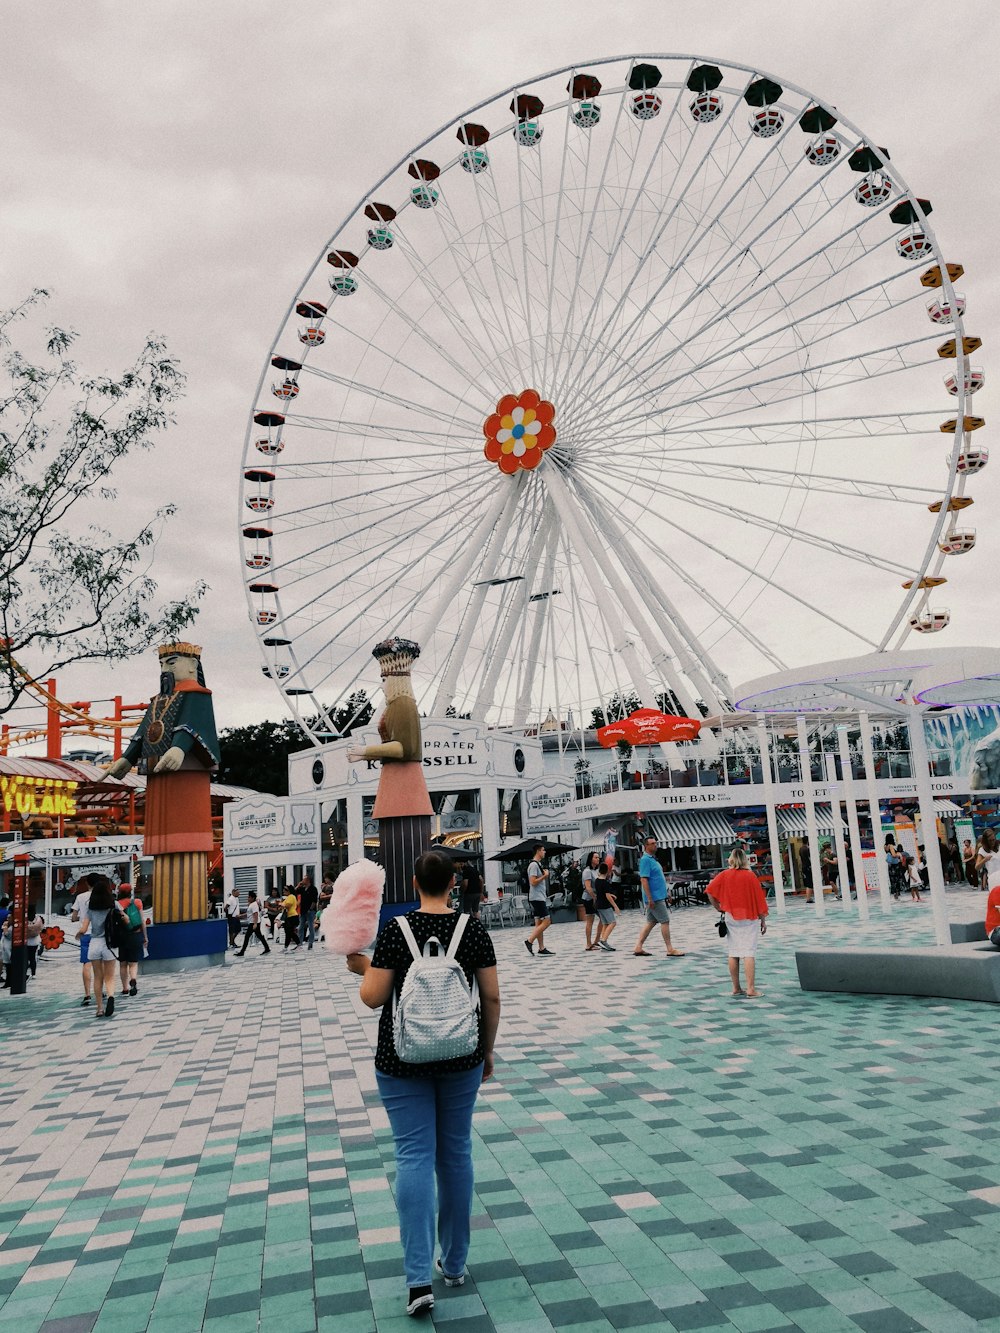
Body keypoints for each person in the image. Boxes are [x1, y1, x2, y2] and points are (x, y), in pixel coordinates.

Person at [347, 850, 500, 1319]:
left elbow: (373, 998)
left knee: (412, 1156)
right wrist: (486, 1049)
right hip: (462, 1055)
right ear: (454, 883)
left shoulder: (396, 931)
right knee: (455, 1153)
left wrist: (363, 968)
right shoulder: (473, 929)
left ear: (414, 883)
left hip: (402, 1059)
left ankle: (417, 1281)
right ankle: (453, 1264)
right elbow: (491, 994)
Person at [706, 848, 768, 997]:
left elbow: (709, 891)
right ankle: (751, 989)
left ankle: (736, 987)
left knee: (733, 952)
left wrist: (718, 908)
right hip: (749, 916)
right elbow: (760, 899)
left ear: (731, 859)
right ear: (745, 859)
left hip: (731, 915)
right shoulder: (750, 876)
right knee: (748, 952)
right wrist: (763, 920)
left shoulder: (724, 875)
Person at [76, 877, 121, 1018]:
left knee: (98, 977)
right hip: (109, 943)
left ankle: (100, 1008)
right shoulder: (114, 905)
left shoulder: (91, 908)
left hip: (95, 943)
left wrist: (79, 934)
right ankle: (111, 996)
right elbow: (125, 918)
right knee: (110, 976)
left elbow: (84, 929)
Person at [634, 836, 685, 958]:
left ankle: (638, 947)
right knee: (665, 921)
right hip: (654, 898)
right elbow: (644, 880)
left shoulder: (653, 860)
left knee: (651, 922)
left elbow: (659, 879)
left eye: (655, 843)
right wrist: (650, 898)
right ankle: (669, 948)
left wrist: (666, 893)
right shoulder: (645, 860)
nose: (655, 845)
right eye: (652, 843)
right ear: (646, 846)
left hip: (658, 896)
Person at [116, 885, 147, 996]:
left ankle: (125, 988)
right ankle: (133, 979)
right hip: (135, 935)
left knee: (123, 963)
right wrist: (145, 937)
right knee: (133, 963)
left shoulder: (117, 904)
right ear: (131, 892)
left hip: (122, 936)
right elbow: (142, 921)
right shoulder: (137, 902)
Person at [71, 876, 96, 1006]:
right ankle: (100, 990)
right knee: (100, 964)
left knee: (86, 963)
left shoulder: (80, 897)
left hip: (85, 933)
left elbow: (74, 916)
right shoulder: (103, 896)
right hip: (99, 934)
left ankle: (87, 994)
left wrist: (78, 918)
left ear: (87, 883)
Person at [524, 844, 553, 956]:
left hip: (539, 896)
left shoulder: (538, 864)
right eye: (543, 850)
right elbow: (533, 882)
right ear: (538, 851)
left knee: (539, 922)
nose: (544, 852)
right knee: (547, 921)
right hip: (537, 897)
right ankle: (529, 941)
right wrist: (544, 876)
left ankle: (541, 947)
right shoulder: (533, 865)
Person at [236, 891, 271, 957]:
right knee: (259, 936)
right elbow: (249, 914)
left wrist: (255, 924)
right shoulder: (252, 904)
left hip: (253, 923)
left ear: (252, 898)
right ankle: (267, 948)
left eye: (249, 897)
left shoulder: (254, 905)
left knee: (247, 937)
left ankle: (242, 951)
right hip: (254, 922)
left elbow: (255, 914)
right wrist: (241, 916)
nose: (248, 898)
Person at [593, 863, 619, 951]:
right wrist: (615, 906)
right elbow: (607, 895)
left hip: (598, 905)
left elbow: (601, 892)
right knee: (612, 922)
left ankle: (603, 940)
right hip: (605, 905)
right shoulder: (605, 883)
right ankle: (603, 940)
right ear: (607, 871)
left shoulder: (597, 881)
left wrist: (611, 894)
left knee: (605, 923)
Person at [581, 852, 601, 951]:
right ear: (591, 859)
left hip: (596, 897)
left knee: (603, 918)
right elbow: (588, 887)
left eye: (598, 857)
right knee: (590, 921)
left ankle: (596, 941)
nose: (598, 859)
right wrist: (594, 898)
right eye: (596, 857)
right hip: (589, 898)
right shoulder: (587, 871)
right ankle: (589, 944)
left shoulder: (596, 870)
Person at [976, 829, 1000, 903]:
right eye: (990, 840)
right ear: (986, 841)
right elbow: (977, 867)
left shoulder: (999, 846)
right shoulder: (982, 850)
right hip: (994, 879)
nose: (992, 842)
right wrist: (985, 859)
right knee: (996, 901)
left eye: (993, 839)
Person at [299, 876, 319, 949]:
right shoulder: (302, 888)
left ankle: (310, 942)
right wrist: (298, 885)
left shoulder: (313, 889)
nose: (302, 881)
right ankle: (300, 942)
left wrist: (310, 909)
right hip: (303, 910)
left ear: (308, 880)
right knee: (301, 926)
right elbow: (294, 892)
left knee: (311, 926)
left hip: (310, 911)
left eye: (304, 879)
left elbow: (314, 900)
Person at [281, 885, 301, 950]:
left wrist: (280, 904)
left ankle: (296, 945)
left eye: (286, 890)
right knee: (289, 932)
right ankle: (288, 946)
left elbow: (287, 905)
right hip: (290, 916)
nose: (284, 891)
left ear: (289, 891)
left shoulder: (291, 896)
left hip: (292, 916)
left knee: (289, 932)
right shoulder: (288, 897)